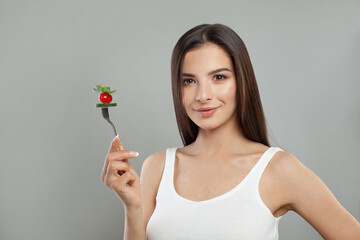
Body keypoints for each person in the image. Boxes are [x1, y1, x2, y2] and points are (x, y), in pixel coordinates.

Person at [101, 24, 360, 240]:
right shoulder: (157, 167)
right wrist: (132, 208)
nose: (203, 95)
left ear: (241, 82)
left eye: (219, 77)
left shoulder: (277, 169)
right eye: (189, 81)